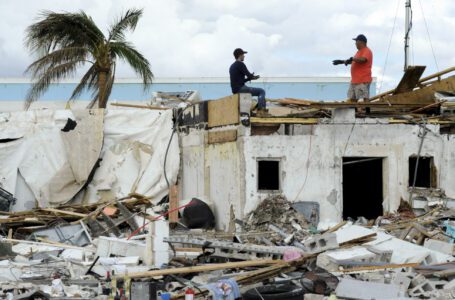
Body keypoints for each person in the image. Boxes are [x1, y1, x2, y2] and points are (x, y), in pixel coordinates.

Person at [333, 34, 373, 113]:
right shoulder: (358, 52)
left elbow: (363, 60)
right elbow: (354, 61)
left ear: (361, 42)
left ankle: (368, 113)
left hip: (362, 80)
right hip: (355, 80)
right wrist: (342, 61)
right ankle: (354, 114)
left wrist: (353, 59)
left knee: (364, 97)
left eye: (356, 41)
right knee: (352, 98)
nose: (355, 43)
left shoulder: (367, 51)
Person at [229, 48, 268, 115]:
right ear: (240, 55)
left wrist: (249, 78)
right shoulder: (240, 64)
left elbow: (239, 80)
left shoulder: (232, 66)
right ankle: (261, 110)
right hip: (241, 88)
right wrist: (253, 77)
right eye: (243, 54)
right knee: (261, 91)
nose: (244, 56)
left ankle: (250, 112)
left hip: (235, 90)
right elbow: (249, 75)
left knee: (249, 94)